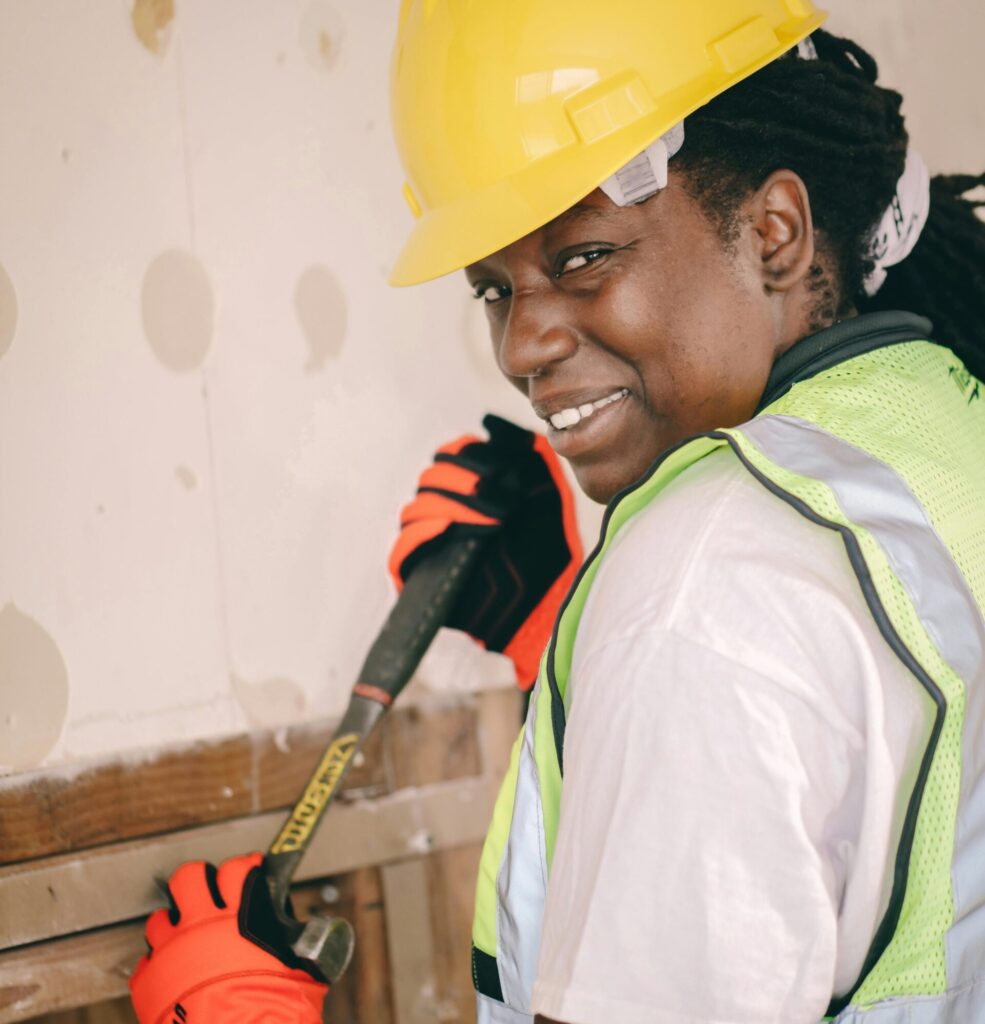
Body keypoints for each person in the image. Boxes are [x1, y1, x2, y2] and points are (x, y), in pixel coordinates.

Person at [129, 2, 985, 1022]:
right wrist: (562, 632)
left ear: (772, 233)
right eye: (495, 288)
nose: (522, 345)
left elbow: (739, 644)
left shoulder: (707, 582)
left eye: (583, 257)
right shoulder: (938, 413)